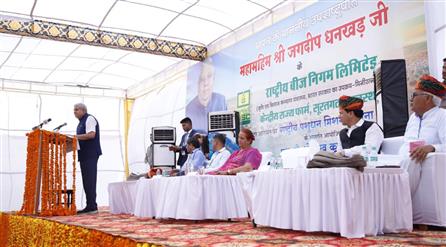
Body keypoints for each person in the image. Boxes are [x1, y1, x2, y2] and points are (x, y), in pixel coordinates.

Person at [399, 74, 446, 194]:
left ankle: (398, 200)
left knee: (411, 159)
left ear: (428, 98)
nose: (411, 99)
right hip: (402, 161)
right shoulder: (412, 118)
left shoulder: (442, 116)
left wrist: (432, 147)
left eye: (414, 95)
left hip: (418, 161)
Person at [74, 103, 102, 214]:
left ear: (83, 110)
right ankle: (89, 205)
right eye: (74, 110)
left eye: (76, 109)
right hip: (84, 154)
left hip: (90, 154)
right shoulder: (80, 122)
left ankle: (92, 206)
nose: (74, 112)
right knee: (87, 180)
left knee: (90, 179)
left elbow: (91, 135)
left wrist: (75, 137)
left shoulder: (89, 118)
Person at [186, 59, 227, 132]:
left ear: (214, 79)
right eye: (202, 78)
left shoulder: (221, 100)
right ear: (197, 82)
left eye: (209, 76)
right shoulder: (190, 109)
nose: (206, 83)